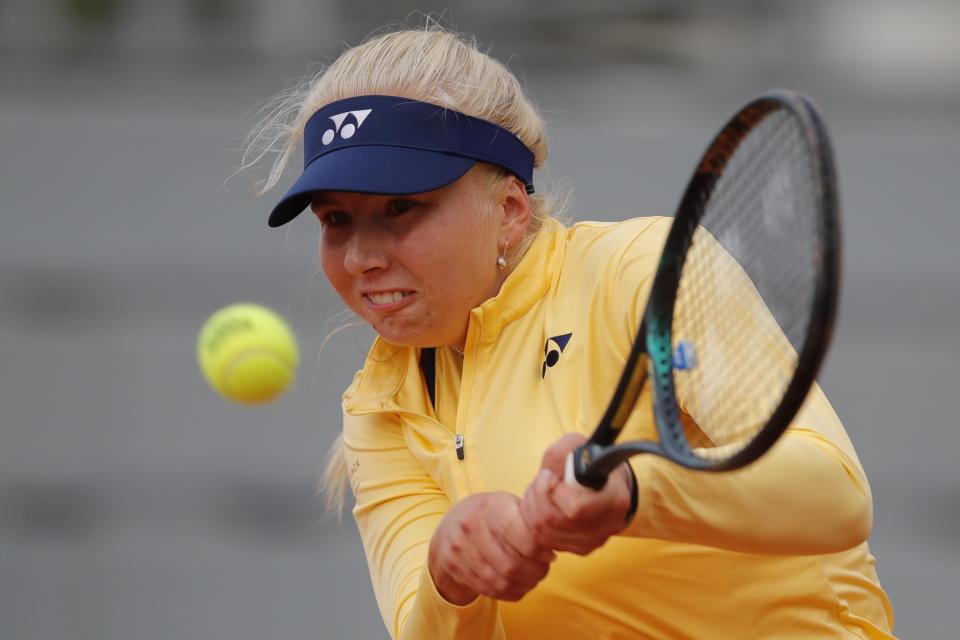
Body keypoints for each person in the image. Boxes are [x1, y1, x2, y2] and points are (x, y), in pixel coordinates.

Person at [246, 26, 897, 640]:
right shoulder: (380, 408)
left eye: (399, 208)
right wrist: (451, 575)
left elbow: (835, 498)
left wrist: (634, 494)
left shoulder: (641, 272)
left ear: (508, 210)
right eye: (336, 219)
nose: (361, 256)